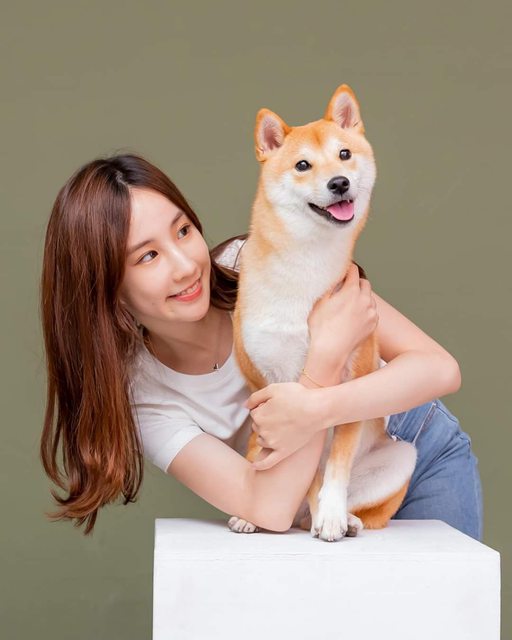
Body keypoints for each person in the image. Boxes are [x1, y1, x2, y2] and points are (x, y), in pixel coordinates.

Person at [39, 153, 483, 540]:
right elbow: (269, 508)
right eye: (147, 256)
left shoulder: (256, 263)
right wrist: (323, 360)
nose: (185, 265)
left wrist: (315, 407)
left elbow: (439, 368)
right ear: (108, 290)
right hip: (314, 500)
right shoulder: (146, 396)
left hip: (409, 440)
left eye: (183, 230)